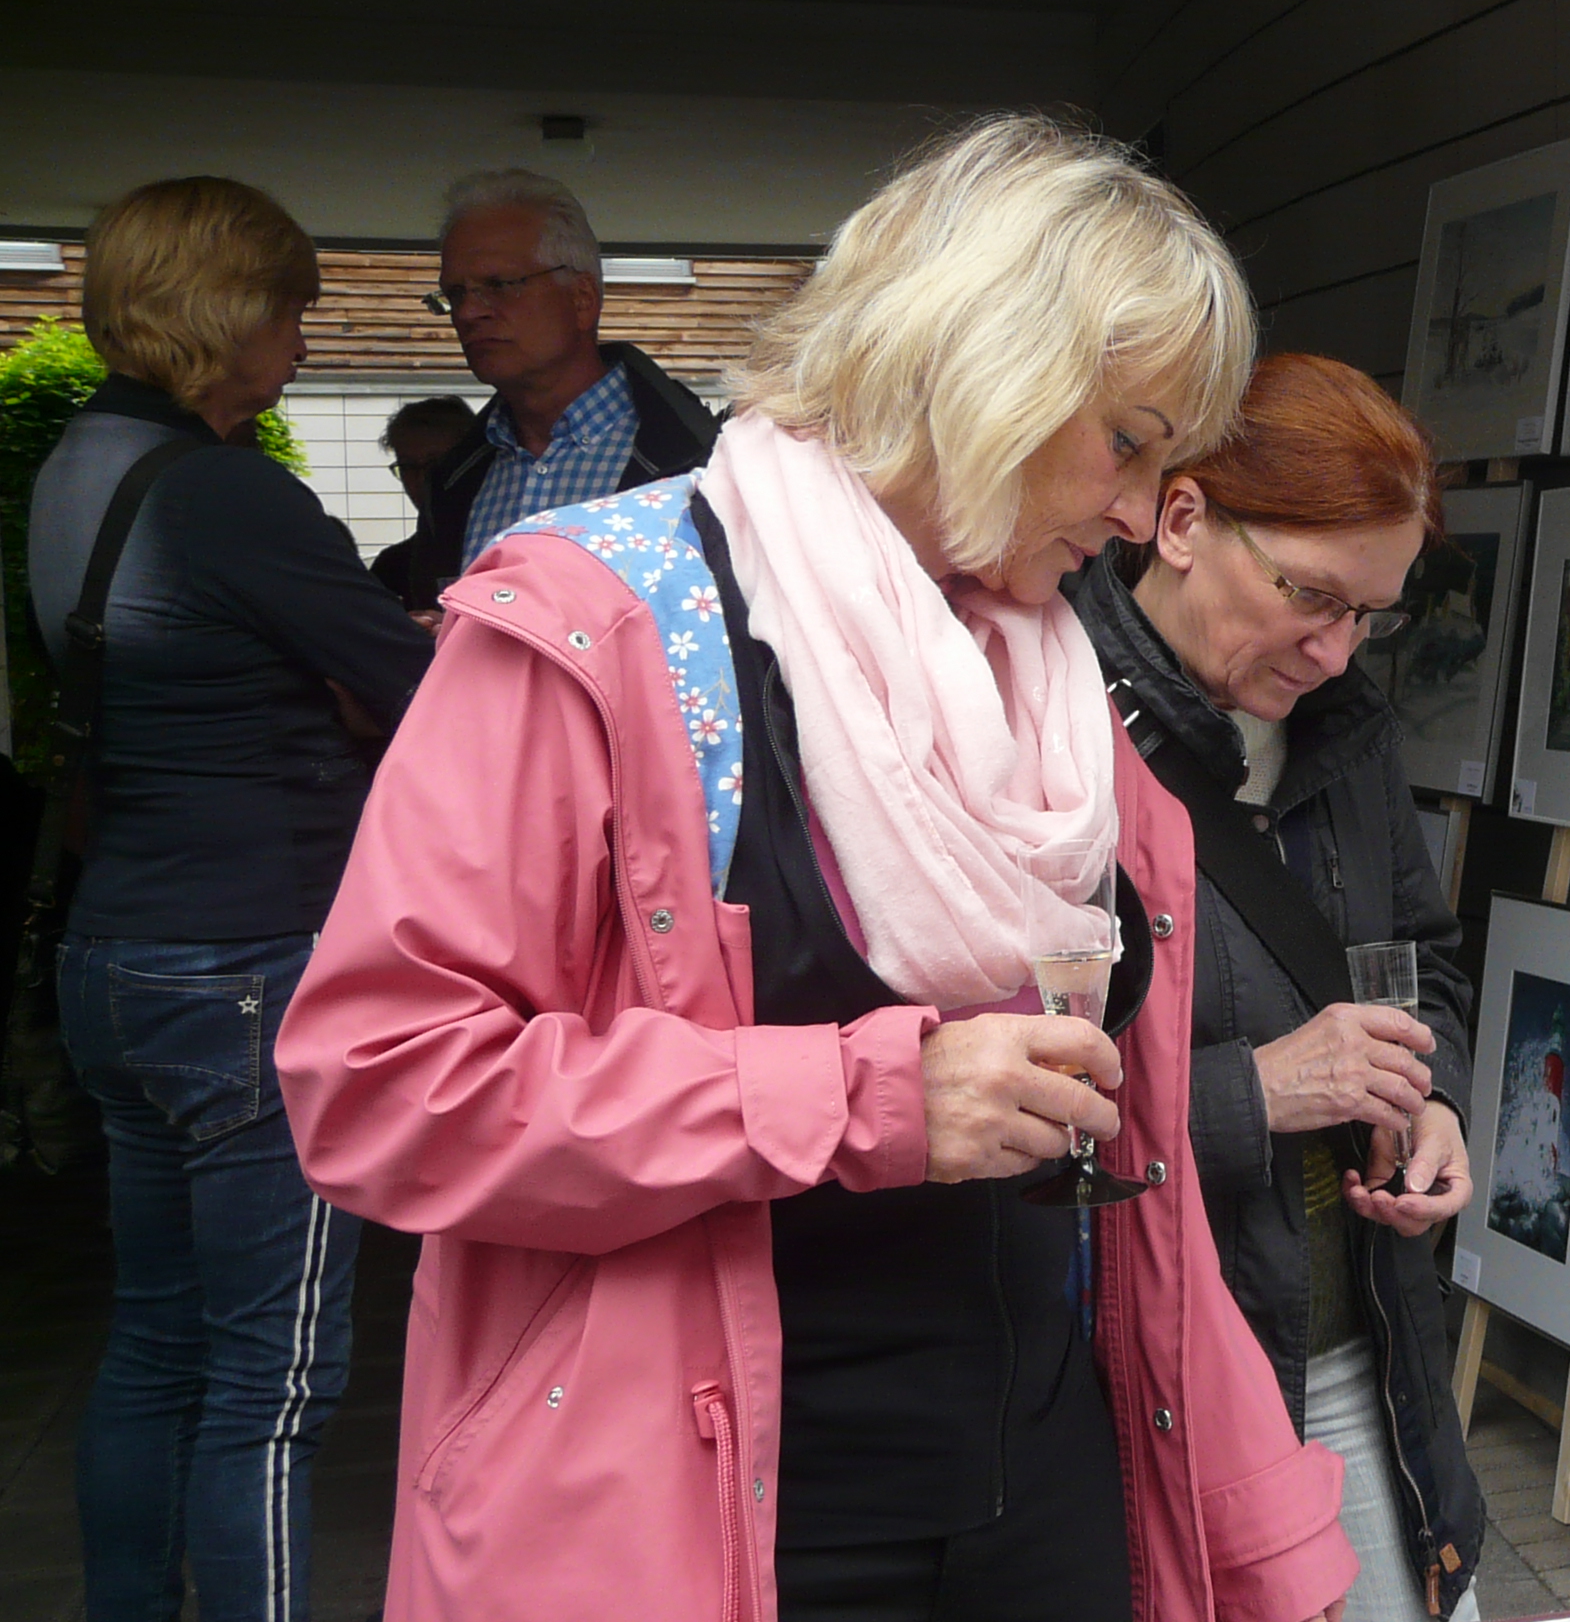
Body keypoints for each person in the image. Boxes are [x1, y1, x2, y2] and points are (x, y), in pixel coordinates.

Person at [276, 118, 1358, 1622]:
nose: (1133, 516)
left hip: (1052, 1497)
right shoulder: (603, 627)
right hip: (720, 1533)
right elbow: (382, 1087)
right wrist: (868, 1098)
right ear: (984, 368)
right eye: (1127, 441)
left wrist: (1251, 1538)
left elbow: (1148, 1184)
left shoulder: (1058, 683)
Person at [31, 176, 435, 1622]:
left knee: (156, 1346)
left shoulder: (78, 465)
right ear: (224, 313)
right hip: (251, 967)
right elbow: (423, 687)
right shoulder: (223, 490)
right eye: (289, 310)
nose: (303, 346)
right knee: (271, 1386)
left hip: (121, 961)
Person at [1071, 353, 1485, 1622]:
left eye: (1373, 613)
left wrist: (1435, 1103)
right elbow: (991, 1101)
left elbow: (1429, 962)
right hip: (1153, 1378)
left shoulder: (1348, 730)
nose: (1336, 647)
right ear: (1185, 518)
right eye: (1313, 596)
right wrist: (1255, 1092)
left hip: (1368, 1343)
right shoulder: (1046, 725)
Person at [381, 169, 719, 607]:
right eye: (455, 293)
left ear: (582, 298)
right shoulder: (454, 481)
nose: (468, 313)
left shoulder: (700, 462)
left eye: (498, 286)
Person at [367, 394, 474, 608]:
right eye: (408, 466)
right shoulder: (392, 567)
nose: (423, 478)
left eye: (436, 463)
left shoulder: (504, 546)